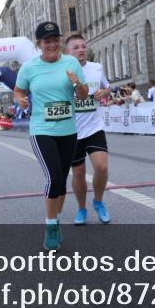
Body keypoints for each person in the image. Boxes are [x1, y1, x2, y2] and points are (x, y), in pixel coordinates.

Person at [14, 21, 88, 250]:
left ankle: (56, 220)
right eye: (48, 41)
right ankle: (50, 225)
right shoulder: (29, 68)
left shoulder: (72, 63)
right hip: (42, 130)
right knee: (54, 178)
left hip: (68, 130)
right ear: (39, 44)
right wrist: (20, 99)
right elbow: (18, 90)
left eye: (56, 40)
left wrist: (77, 84)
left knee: (61, 180)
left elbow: (84, 96)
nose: (53, 44)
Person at [65, 33, 113, 225]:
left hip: (95, 126)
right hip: (72, 130)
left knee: (101, 167)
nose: (81, 50)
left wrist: (104, 92)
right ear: (67, 52)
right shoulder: (63, 71)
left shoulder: (96, 68)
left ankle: (98, 202)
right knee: (78, 173)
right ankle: (82, 209)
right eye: (75, 47)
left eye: (83, 46)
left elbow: (107, 88)